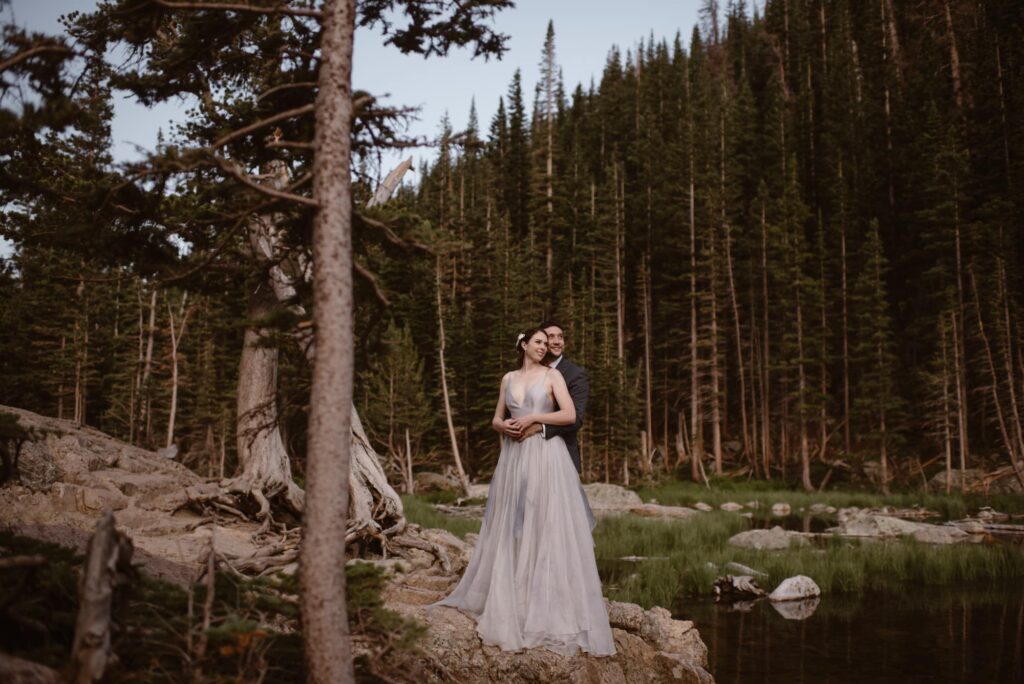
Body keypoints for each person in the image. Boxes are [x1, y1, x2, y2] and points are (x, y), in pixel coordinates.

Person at [431, 327, 615, 657]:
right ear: (524, 344)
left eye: (548, 343)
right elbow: (496, 418)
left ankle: (546, 603)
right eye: (539, 342)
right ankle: (513, 597)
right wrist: (506, 427)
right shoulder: (508, 379)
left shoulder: (553, 377)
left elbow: (570, 415)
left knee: (544, 522)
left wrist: (533, 418)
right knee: (512, 523)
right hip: (514, 457)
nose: (545, 347)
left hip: (545, 456)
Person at [518, 320, 588, 474]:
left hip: (562, 456)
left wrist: (539, 427)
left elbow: (576, 419)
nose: (557, 342)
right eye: (551, 337)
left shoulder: (575, 374)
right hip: (526, 454)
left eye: (561, 337)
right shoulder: (524, 372)